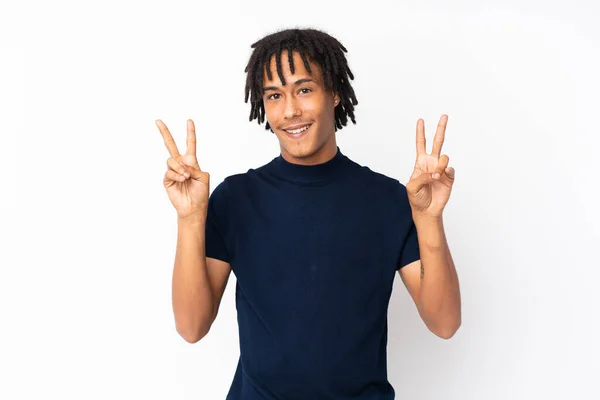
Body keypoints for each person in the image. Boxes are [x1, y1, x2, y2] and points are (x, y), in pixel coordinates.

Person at [157, 28, 461, 400]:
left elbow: (444, 323)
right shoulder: (236, 199)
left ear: (334, 92)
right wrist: (189, 219)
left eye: (304, 89)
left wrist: (429, 220)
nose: (290, 111)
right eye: (274, 95)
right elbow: (191, 327)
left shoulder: (388, 200)